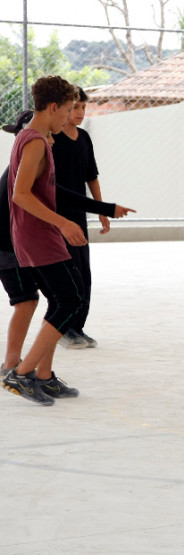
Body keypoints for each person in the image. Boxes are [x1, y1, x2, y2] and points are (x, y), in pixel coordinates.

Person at [0, 110, 134, 375]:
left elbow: (61, 194)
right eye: (49, 135)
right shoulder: (27, 161)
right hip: (8, 243)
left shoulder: (38, 162)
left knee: (53, 302)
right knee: (30, 301)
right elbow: (26, 199)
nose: (53, 141)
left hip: (22, 242)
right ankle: (15, 367)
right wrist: (63, 224)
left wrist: (105, 207)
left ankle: (38, 372)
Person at [2, 75, 85, 406]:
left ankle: (44, 377)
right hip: (38, 236)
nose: (69, 117)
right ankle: (22, 373)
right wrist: (63, 223)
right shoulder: (35, 142)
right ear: (53, 107)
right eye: (67, 110)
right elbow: (20, 195)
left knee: (59, 300)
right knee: (71, 300)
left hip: (35, 234)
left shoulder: (29, 136)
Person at [52, 87, 106, 348]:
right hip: (56, 217)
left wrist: (102, 209)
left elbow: (91, 175)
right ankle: (61, 328)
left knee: (84, 271)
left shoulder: (83, 138)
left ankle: (77, 326)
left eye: (84, 107)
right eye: (75, 108)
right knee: (65, 271)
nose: (80, 113)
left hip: (79, 216)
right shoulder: (51, 139)